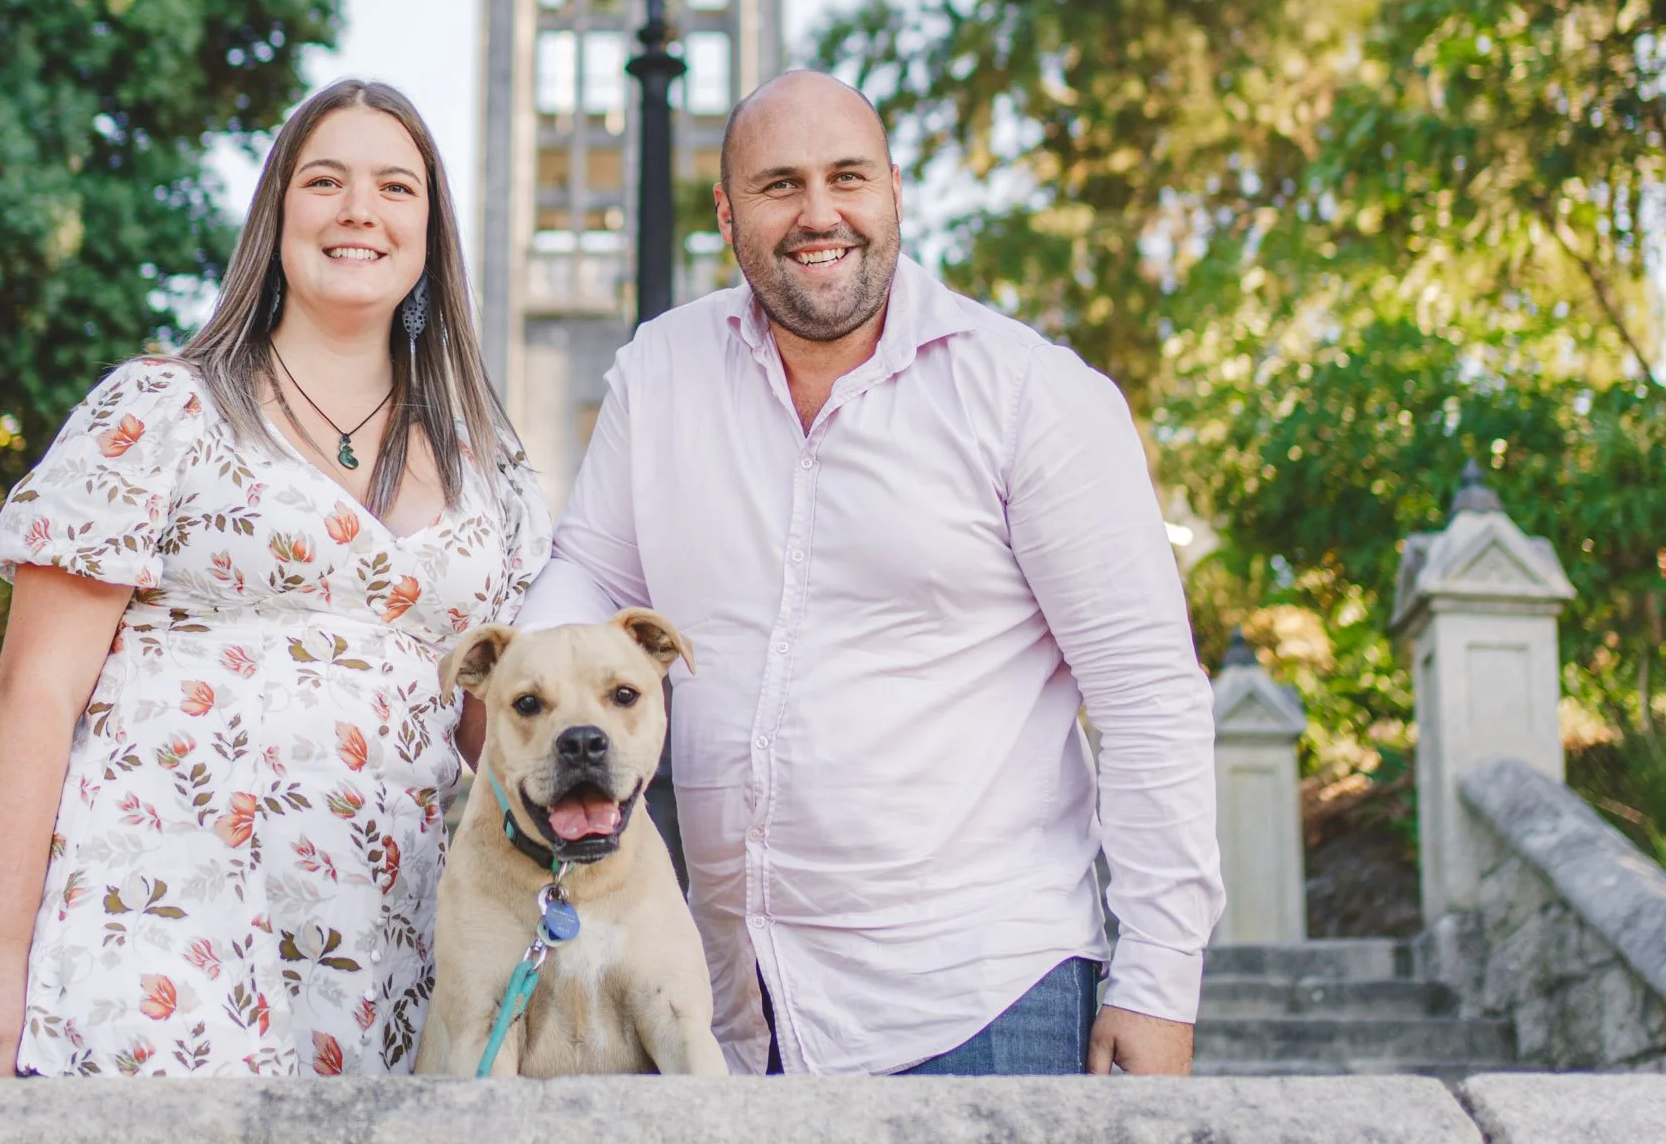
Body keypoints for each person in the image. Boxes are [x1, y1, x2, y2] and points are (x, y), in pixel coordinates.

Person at [520, 68, 1222, 1078]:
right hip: (725, 1007)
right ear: (726, 212)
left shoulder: (1033, 396)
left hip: (981, 997)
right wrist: (519, 688)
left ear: (894, 190)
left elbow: (1146, 695)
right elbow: (589, 567)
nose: (818, 214)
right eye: (778, 186)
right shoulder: (659, 373)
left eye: (846, 178)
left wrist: (1157, 982)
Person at [0, 78, 547, 1080]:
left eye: (396, 188)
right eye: (324, 181)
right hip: (161, 908)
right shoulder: (159, 411)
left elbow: (505, 737)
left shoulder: (493, 475)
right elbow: (36, 691)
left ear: (430, 234)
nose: (359, 209)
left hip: (385, 938)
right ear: (276, 215)